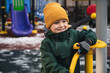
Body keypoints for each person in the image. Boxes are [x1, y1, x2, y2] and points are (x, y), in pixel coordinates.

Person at [40, 2, 97, 73]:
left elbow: (91, 33)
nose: (61, 25)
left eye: (64, 21)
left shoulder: (73, 34)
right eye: (56, 22)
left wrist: (88, 41)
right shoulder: (47, 43)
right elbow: (49, 65)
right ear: (49, 26)